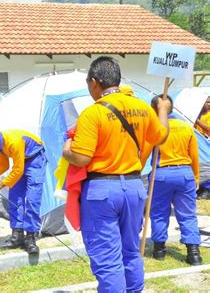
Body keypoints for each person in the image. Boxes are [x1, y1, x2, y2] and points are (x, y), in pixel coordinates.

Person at [62, 56, 171, 292]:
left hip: (102, 191)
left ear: (94, 82)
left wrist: (67, 152)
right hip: (133, 187)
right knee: (130, 251)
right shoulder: (142, 107)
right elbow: (161, 136)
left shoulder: (93, 113)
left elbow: (81, 158)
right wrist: (163, 109)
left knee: (107, 258)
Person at [142, 95, 202, 266]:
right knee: (188, 214)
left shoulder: (155, 129)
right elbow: (194, 156)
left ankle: (159, 250)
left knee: (159, 213)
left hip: (161, 174)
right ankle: (194, 253)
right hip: (185, 173)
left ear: (155, 110)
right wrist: (196, 177)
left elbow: (145, 155)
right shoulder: (186, 127)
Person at [0, 122, 46, 255]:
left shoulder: (13, 141)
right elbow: (3, 165)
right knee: (15, 197)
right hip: (22, 161)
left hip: (35, 160)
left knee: (32, 199)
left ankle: (30, 237)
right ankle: (17, 236)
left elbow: (18, 170)